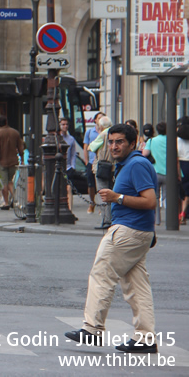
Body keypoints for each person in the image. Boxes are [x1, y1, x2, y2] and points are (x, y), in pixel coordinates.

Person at [64, 123, 158, 354]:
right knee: (137, 286)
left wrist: (118, 197)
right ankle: (146, 339)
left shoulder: (136, 164)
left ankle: (92, 329)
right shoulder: (130, 164)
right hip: (137, 230)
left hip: (127, 230)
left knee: (101, 274)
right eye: (111, 141)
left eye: (120, 142)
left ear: (132, 143)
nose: (114, 146)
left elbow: (150, 201)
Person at [0, 115, 24, 210]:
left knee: (4, 182)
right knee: (10, 181)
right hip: (13, 160)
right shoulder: (15, 132)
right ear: (6, 121)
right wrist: (21, 157)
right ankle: (16, 199)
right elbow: (20, 147)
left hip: (2, 161)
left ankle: (6, 202)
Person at [88, 115, 116, 228]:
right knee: (113, 192)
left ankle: (106, 220)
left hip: (103, 167)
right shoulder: (115, 133)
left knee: (103, 193)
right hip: (114, 167)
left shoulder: (103, 134)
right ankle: (113, 218)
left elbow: (91, 147)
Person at [144, 121, 167, 223]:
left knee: (156, 197)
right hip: (168, 173)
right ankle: (170, 218)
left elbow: (144, 154)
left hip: (155, 172)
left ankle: (157, 220)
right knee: (168, 197)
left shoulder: (152, 141)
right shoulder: (172, 140)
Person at [84, 112, 105, 213]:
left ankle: (102, 205)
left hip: (101, 162)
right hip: (91, 161)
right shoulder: (89, 132)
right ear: (95, 120)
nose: (100, 120)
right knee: (91, 184)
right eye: (99, 118)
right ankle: (92, 202)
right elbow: (86, 147)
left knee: (100, 184)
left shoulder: (105, 132)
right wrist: (87, 161)